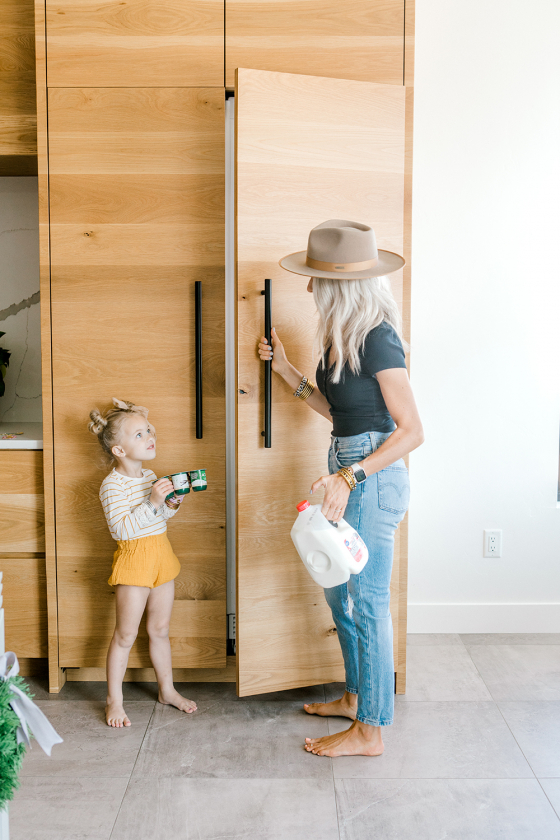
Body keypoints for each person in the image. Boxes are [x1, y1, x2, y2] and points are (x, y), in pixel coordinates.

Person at [258, 220, 424, 757]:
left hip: (371, 479)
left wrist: (350, 476)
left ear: (340, 285)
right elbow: (339, 412)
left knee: (369, 602)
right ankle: (355, 697)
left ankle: (370, 730)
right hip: (342, 467)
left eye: (316, 280)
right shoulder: (339, 337)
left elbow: (413, 432)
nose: (309, 289)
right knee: (339, 593)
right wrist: (285, 371)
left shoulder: (378, 337)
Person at [88, 397, 197, 727]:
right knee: (124, 635)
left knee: (160, 630)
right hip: (135, 561)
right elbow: (122, 530)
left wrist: (171, 503)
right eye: (139, 434)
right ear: (119, 450)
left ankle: (167, 690)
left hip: (161, 555)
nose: (150, 436)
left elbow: (159, 518)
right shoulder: (112, 485)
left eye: (149, 430)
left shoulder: (150, 474)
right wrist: (152, 501)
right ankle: (114, 701)